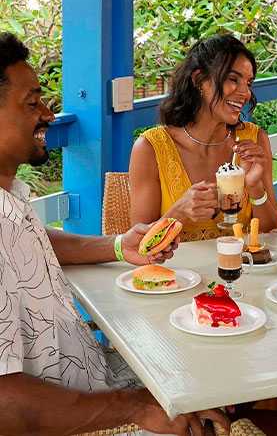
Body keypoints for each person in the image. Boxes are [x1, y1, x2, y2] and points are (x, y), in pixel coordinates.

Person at [0, 31, 229, 436]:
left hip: (94, 373)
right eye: (32, 103)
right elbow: (6, 408)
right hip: (85, 417)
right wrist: (136, 408)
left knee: (214, 368)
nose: (49, 115)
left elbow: (31, 242)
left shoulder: (10, 199)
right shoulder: (154, 144)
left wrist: (120, 246)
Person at [129, 34, 277, 240]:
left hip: (243, 271)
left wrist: (255, 188)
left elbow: (275, 232)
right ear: (199, 80)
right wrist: (179, 213)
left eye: (248, 82)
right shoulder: (150, 148)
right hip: (178, 272)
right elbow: (139, 245)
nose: (245, 93)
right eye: (232, 79)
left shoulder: (254, 140)